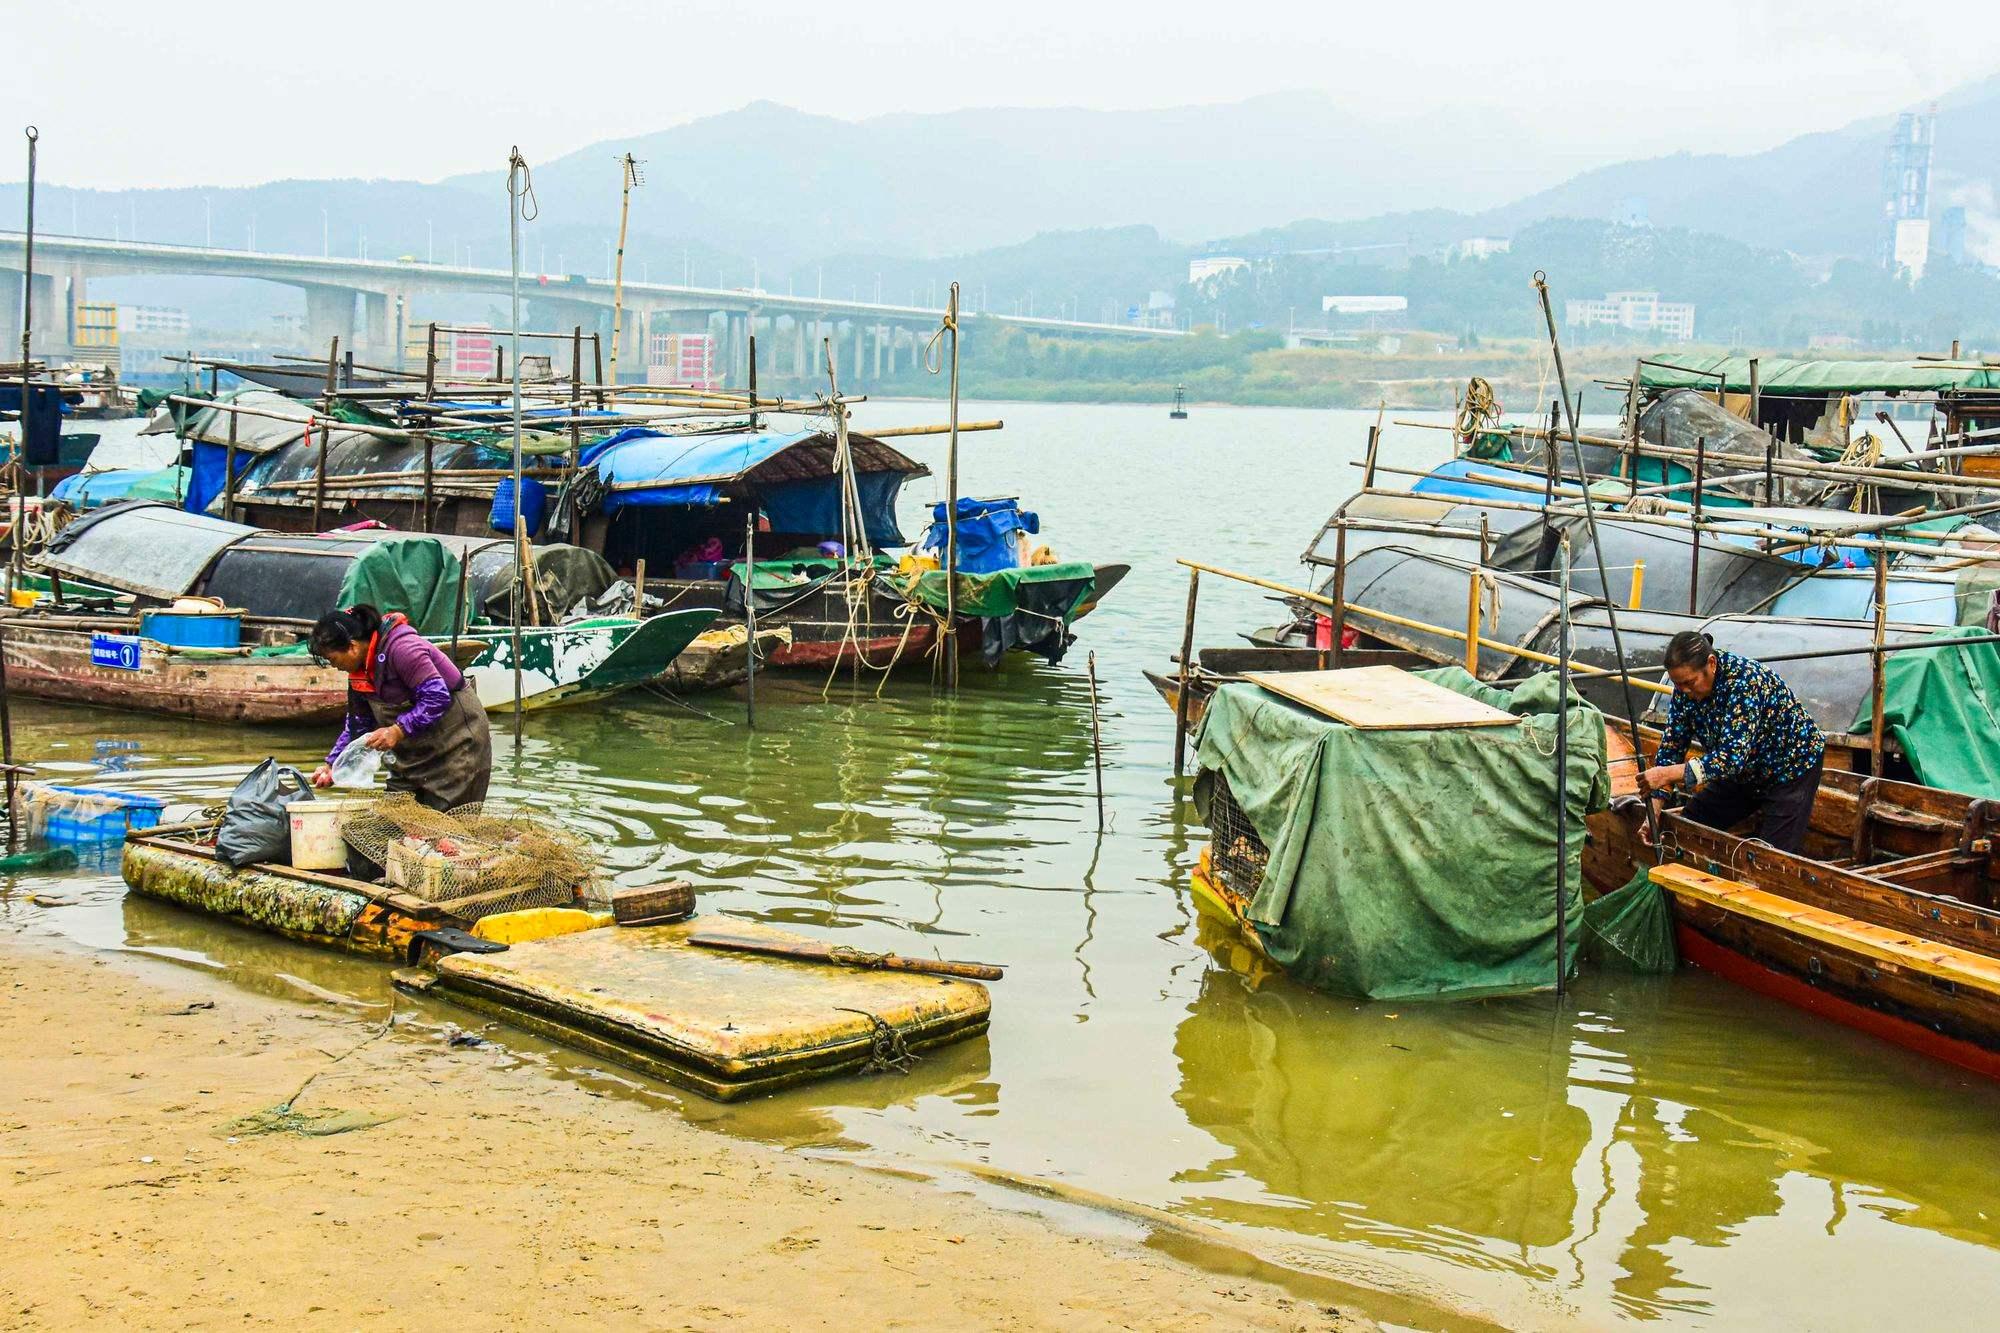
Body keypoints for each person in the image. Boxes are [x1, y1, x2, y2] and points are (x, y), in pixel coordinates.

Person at [1639, 631, 1826, 853]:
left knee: (1773, 858)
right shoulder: (1683, 691)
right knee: (1689, 825)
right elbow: (1672, 746)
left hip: (1789, 768)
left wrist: (1667, 774)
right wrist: (1655, 809)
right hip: (1742, 772)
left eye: (1689, 683)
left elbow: (1730, 759)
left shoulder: (1744, 682)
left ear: (1711, 663)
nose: (1684, 691)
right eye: (1678, 684)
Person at [308, 604, 492, 812]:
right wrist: (333, 765)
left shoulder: (402, 648)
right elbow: (358, 724)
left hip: (456, 744)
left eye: (332, 659)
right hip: (412, 757)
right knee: (393, 819)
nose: (334, 666)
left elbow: (436, 697)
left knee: (448, 828)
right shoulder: (357, 674)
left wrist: (397, 730)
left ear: (352, 647)